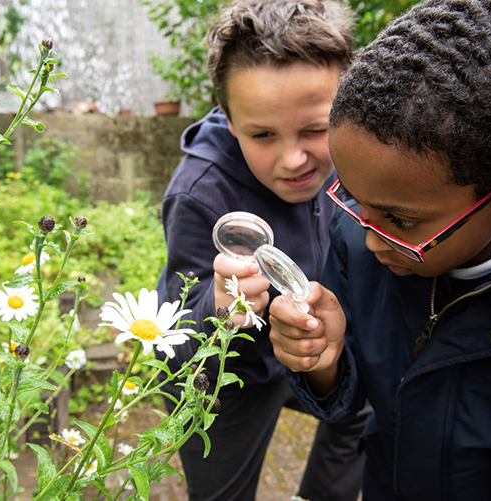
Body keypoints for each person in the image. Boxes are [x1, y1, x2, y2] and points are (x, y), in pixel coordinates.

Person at [268, 0, 491, 499]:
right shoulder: (362, 235)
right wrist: (322, 361)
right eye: (350, 195)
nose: (371, 238)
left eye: (402, 220)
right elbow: (345, 406)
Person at [156, 0, 369, 499]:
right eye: (262, 135)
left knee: (371, 400)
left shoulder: (355, 156)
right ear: (228, 120)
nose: (294, 159)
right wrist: (215, 307)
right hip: (228, 380)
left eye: (316, 130)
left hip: (305, 358)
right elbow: (176, 340)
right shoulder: (198, 193)